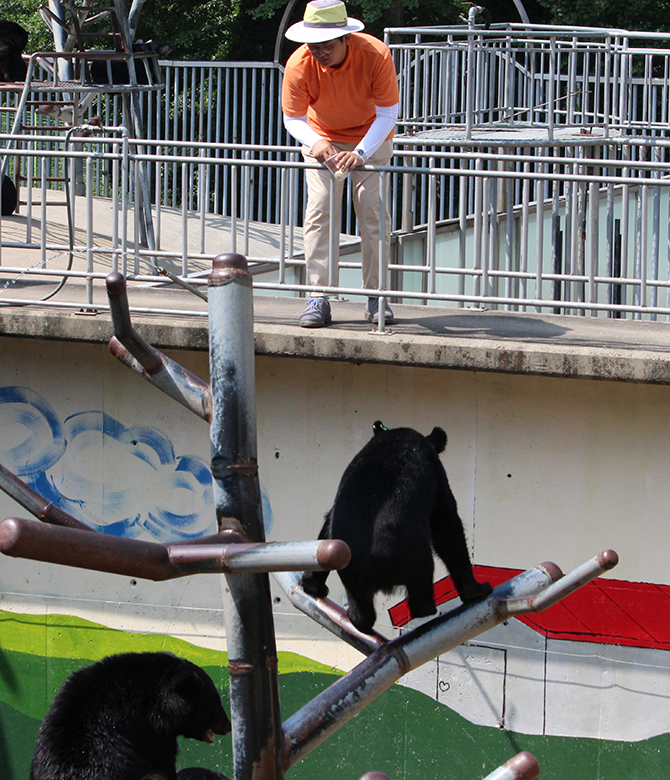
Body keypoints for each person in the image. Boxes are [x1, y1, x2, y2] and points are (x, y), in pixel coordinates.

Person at [282, 0, 399, 327]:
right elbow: (292, 117)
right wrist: (318, 143)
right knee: (320, 208)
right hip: (322, 139)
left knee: (371, 208)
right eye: (313, 45)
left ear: (346, 39)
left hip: (372, 137)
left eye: (326, 46)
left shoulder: (375, 54)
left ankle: (376, 296)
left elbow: (388, 112)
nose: (318, 52)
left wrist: (360, 153)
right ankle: (318, 296)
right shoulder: (299, 63)